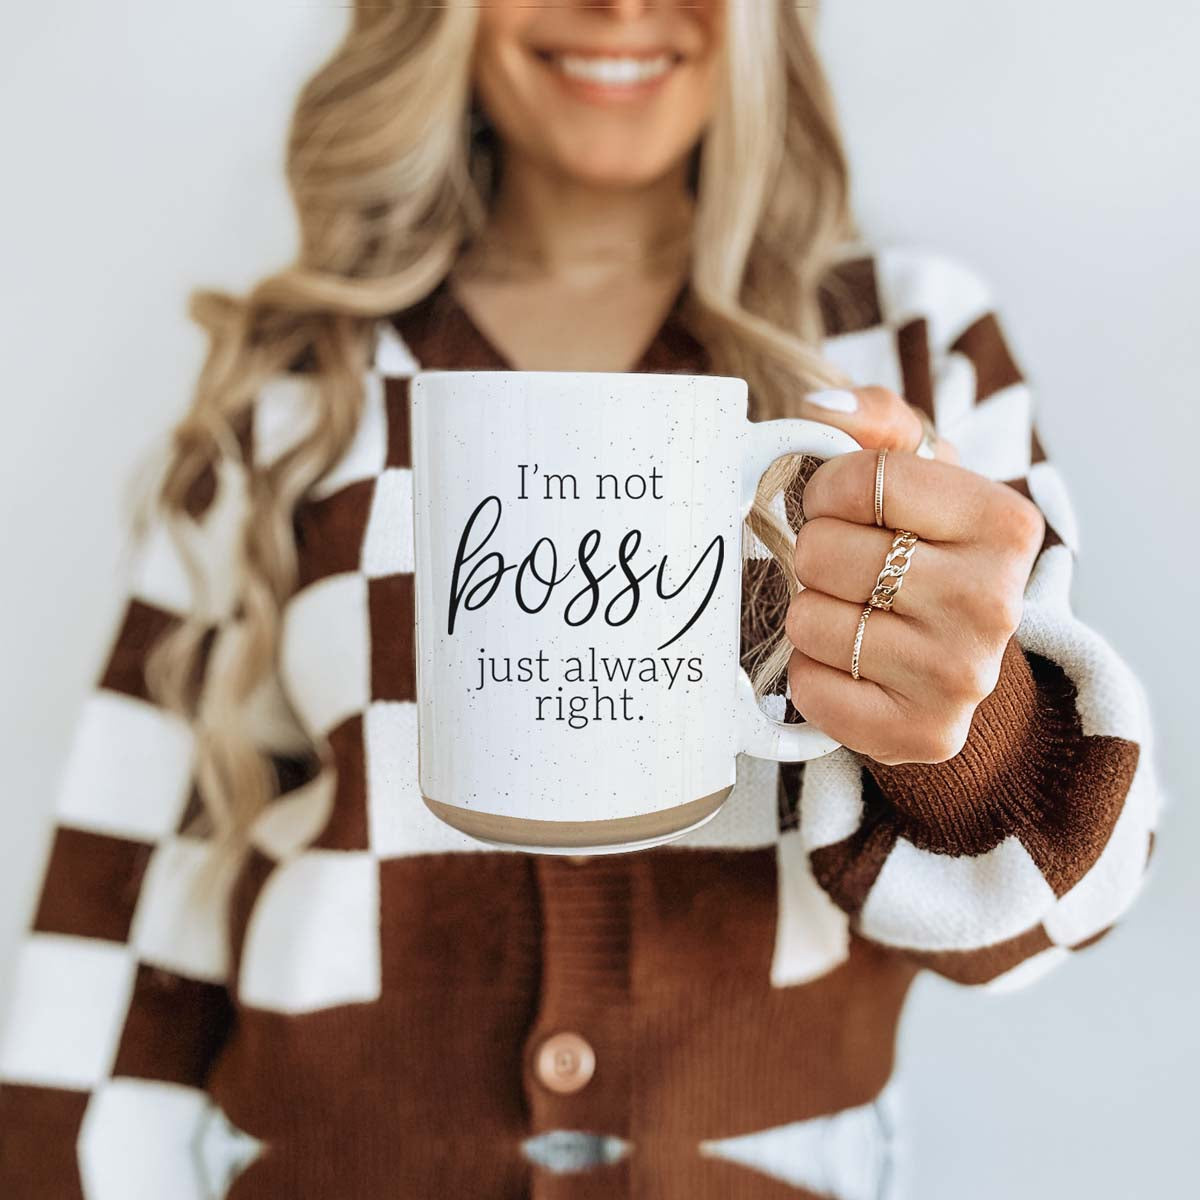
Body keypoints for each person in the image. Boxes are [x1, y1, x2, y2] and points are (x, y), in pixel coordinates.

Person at [0, 2, 1162, 1197]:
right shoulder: (304, 384)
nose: (617, 6)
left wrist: (972, 736)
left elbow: (1061, 921)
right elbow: (118, 899)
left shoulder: (904, 349)